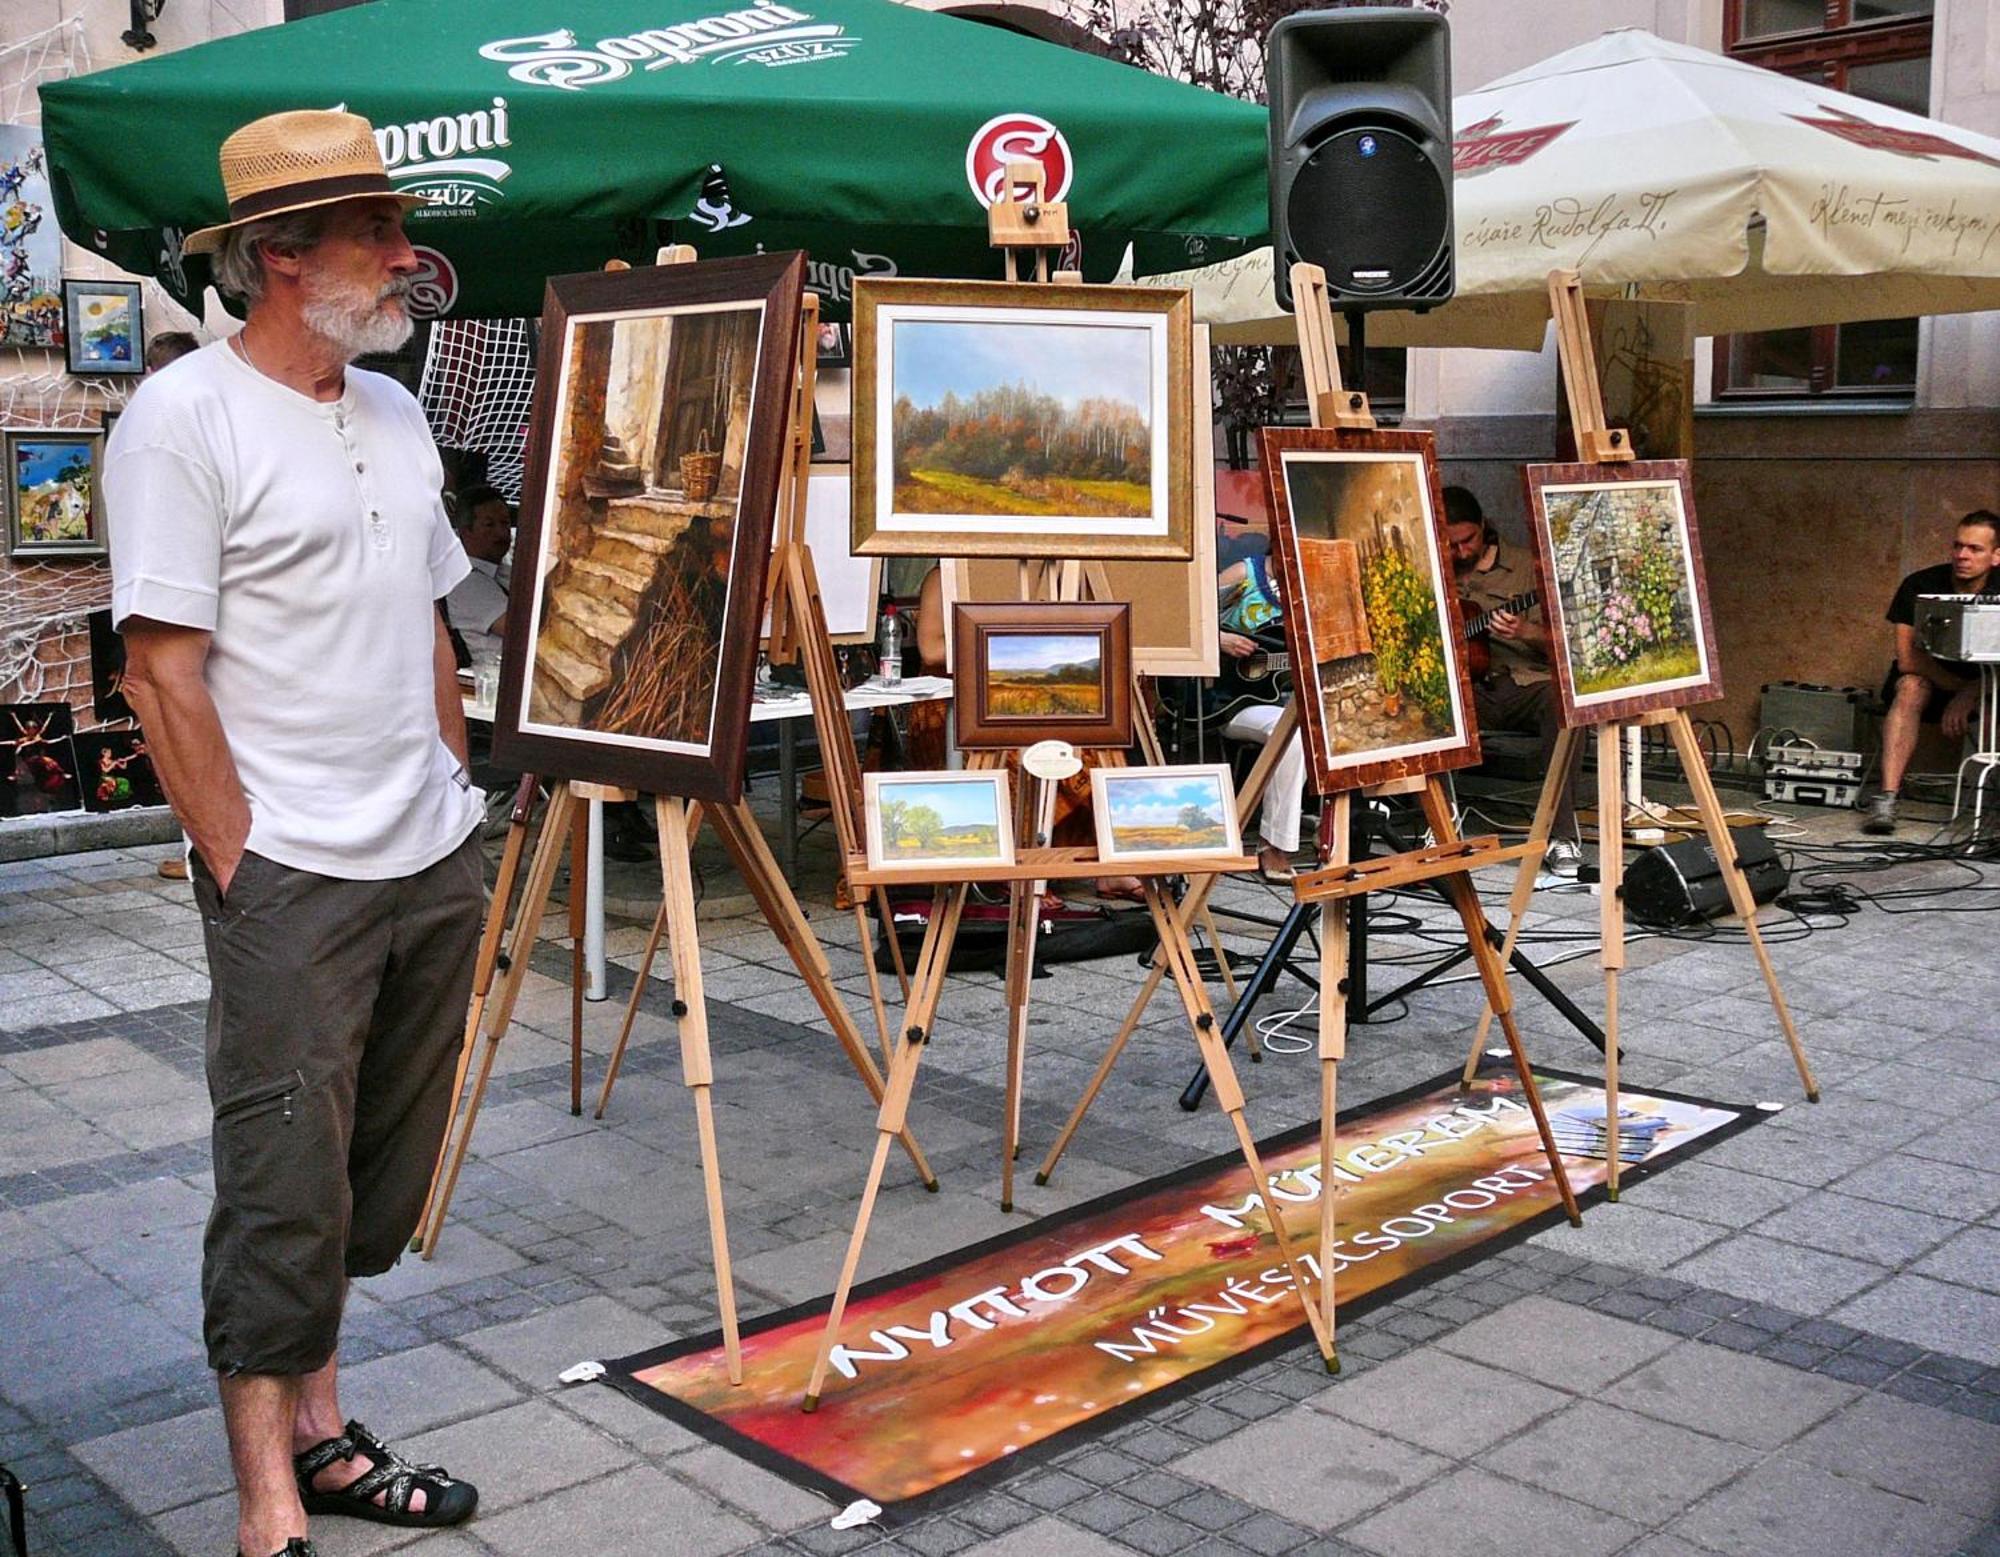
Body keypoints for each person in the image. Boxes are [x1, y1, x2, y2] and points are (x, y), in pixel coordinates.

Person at [104, 110, 484, 1557]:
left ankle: (324, 1435)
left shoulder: (392, 407)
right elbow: (158, 668)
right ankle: (270, 1503)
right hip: (294, 872)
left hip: (425, 851)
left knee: (370, 1174)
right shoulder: (181, 419)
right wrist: (241, 862)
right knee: (279, 1178)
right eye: (374, 234)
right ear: (277, 254)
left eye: (395, 227)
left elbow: (431, 617)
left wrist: (454, 790)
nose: (405, 256)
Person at [1444, 486, 1585, 877]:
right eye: (1450, 544)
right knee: (1424, 704)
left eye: (1467, 541)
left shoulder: (1528, 567)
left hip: (1523, 683)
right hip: (1468, 689)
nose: (1460, 553)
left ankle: (1561, 834)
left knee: (1566, 707)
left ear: (1485, 527)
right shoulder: (1433, 569)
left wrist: (1526, 631)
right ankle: (1438, 826)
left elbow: (1567, 641)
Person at [1865, 509, 2000, 834]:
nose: (1962, 556)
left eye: (1974, 549)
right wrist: (1959, 689)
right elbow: (1907, 658)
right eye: (1958, 546)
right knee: (1910, 686)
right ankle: (1887, 797)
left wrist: (1972, 692)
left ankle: (1990, 806)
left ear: (1996, 556)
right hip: (1934, 680)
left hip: (1988, 683)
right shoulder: (1920, 584)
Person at [1215, 534, 1309, 883]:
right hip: (1231, 700)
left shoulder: (1315, 591)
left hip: (1284, 701)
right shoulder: (1243, 575)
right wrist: (1220, 640)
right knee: (1294, 736)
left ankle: (1344, 835)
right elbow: (1186, 621)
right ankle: (1275, 847)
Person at [443, 484, 513, 664]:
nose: (500, 532)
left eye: (505, 523)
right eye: (489, 525)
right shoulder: (465, 582)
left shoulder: (508, 572)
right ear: (466, 531)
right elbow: (520, 630)